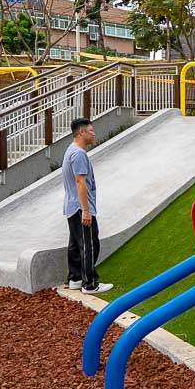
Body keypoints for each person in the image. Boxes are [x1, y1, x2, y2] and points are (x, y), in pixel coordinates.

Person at [62, 117, 113, 294]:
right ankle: (90, 284)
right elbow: (80, 182)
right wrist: (86, 210)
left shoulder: (70, 151)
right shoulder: (79, 154)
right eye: (91, 131)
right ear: (81, 132)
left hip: (71, 206)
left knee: (76, 244)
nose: (94, 134)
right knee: (90, 244)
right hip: (79, 207)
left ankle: (75, 278)